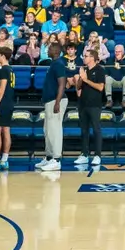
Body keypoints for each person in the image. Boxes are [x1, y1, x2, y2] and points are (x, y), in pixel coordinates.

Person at [38, 43, 78, 172]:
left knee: (55, 129)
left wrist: (57, 102)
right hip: (50, 100)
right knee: (47, 129)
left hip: (56, 100)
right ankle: (49, 157)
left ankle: (56, 159)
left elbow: (62, 84)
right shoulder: (53, 64)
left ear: (56, 51)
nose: (47, 50)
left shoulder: (59, 64)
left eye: (49, 48)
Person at [73, 49, 107, 173]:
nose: (84, 58)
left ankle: (97, 155)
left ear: (92, 58)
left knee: (96, 129)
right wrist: (81, 79)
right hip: (82, 104)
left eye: (86, 56)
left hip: (94, 105)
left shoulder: (99, 70)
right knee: (84, 130)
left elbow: (100, 87)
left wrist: (86, 79)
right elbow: (78, 87)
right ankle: (84, 154)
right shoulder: (84, 70)